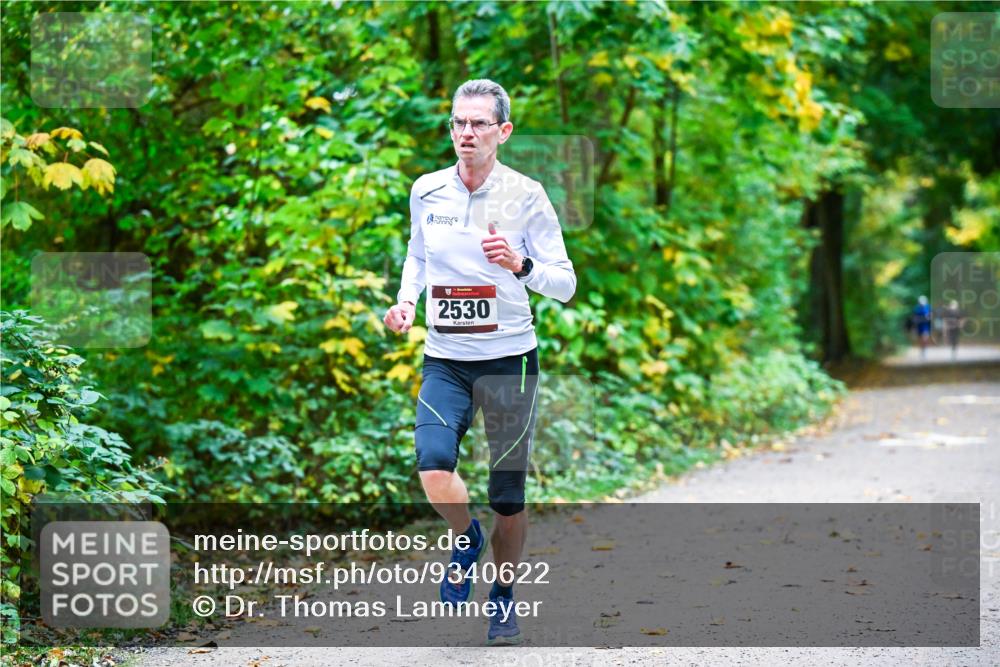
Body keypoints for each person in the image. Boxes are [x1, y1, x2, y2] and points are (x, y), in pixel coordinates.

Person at [382, 79, 576, 645]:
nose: (466, 133)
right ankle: (466, 537)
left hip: (509, 360)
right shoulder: (427, 190)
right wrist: (405, 303)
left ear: (503, 132)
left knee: (508, 497)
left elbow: (565, 284)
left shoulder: (528, 195)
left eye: (478, 124)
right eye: (458, 123)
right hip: (445, 357)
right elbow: (417, 255)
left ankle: (504, 598)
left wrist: (520, 266)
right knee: (433, 463)